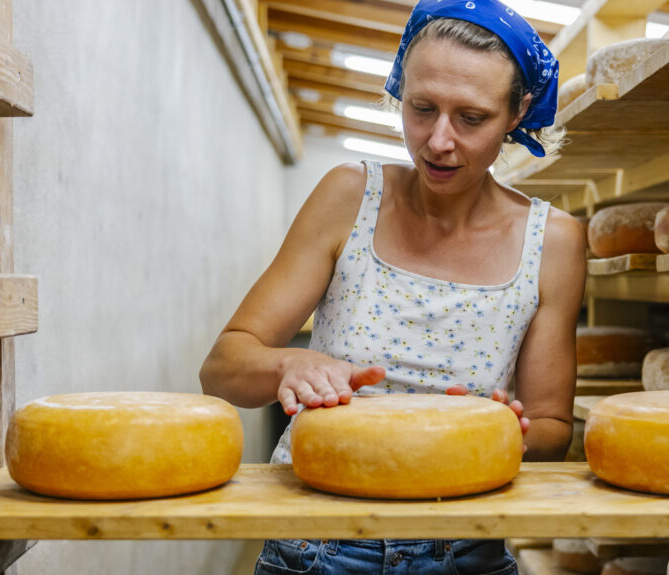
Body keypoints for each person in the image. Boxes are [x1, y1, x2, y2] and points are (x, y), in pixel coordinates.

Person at [200, 0, 586, 572]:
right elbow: (222, 369)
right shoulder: (349, 197)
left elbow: (552, 428)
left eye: (472, 118)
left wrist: (507, 428)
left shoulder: (552, 240)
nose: (437, 140)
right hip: (316, 545)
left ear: (516, 112)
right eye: (421, 108)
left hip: (464, 549)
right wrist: (286, 366)